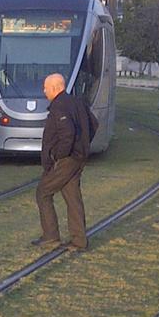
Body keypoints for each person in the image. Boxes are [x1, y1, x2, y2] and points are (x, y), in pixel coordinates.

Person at [32, 73, 98, 251]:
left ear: (55, 88)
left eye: (46, 87)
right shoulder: (77, 102)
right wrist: (83, 145)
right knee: (72, 198)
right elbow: (94, 123)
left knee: (43, 192)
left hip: (66, 160)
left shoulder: (59, 106)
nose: (44, 91)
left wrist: (57, 155)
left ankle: (51, 235)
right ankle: (79, 241)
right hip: (77, 158)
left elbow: (67, 134)